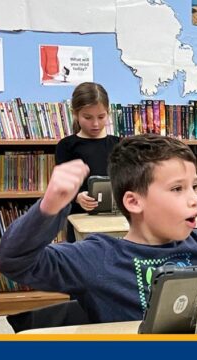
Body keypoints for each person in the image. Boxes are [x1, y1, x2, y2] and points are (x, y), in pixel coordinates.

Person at [0, 134, 197, 323]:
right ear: (134, 202)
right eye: (177, 189)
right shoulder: (96, 258)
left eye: (194, 187)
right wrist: (49, 206)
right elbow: (15, 262)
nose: (194, 200)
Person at [54, 82, 120, 242]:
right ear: (75, 114)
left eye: (101, 117)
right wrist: (77, 197)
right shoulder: (66, 145)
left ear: (108, 113)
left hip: (116, 221)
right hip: (80, 221)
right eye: (88, 117)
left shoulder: (119, 144)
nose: (95, 124)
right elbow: (62, 186)